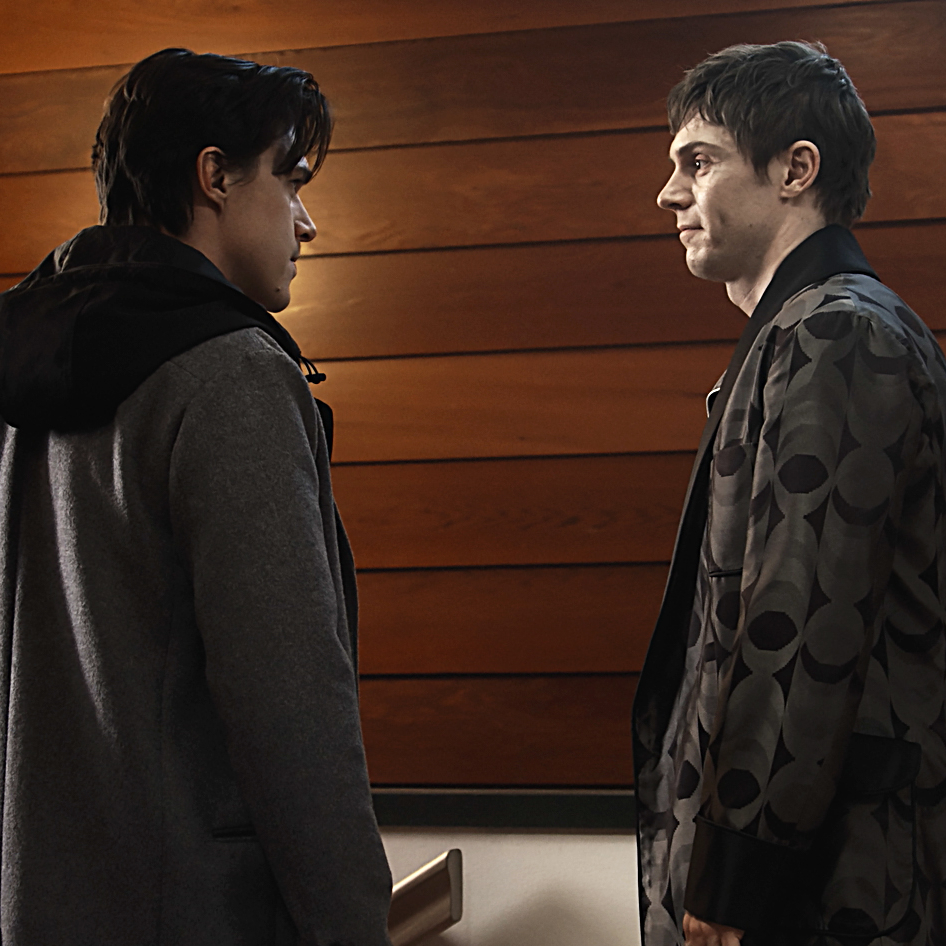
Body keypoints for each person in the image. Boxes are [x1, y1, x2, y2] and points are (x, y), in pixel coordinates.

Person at [0, 48, 393, 945]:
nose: (308, 223)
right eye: (291, 181)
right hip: (198, 911)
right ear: (214, 177)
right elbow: (290, 705)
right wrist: (354, 926)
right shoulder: (228, 376)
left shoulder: (18, 373)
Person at [633, 41, 946, 946]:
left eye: (698, 162)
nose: (669, 193)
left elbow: (804, 626)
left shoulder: (838, 333)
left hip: (830, 890)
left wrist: (735, 877)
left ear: (794, 170)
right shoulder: (803, 330)